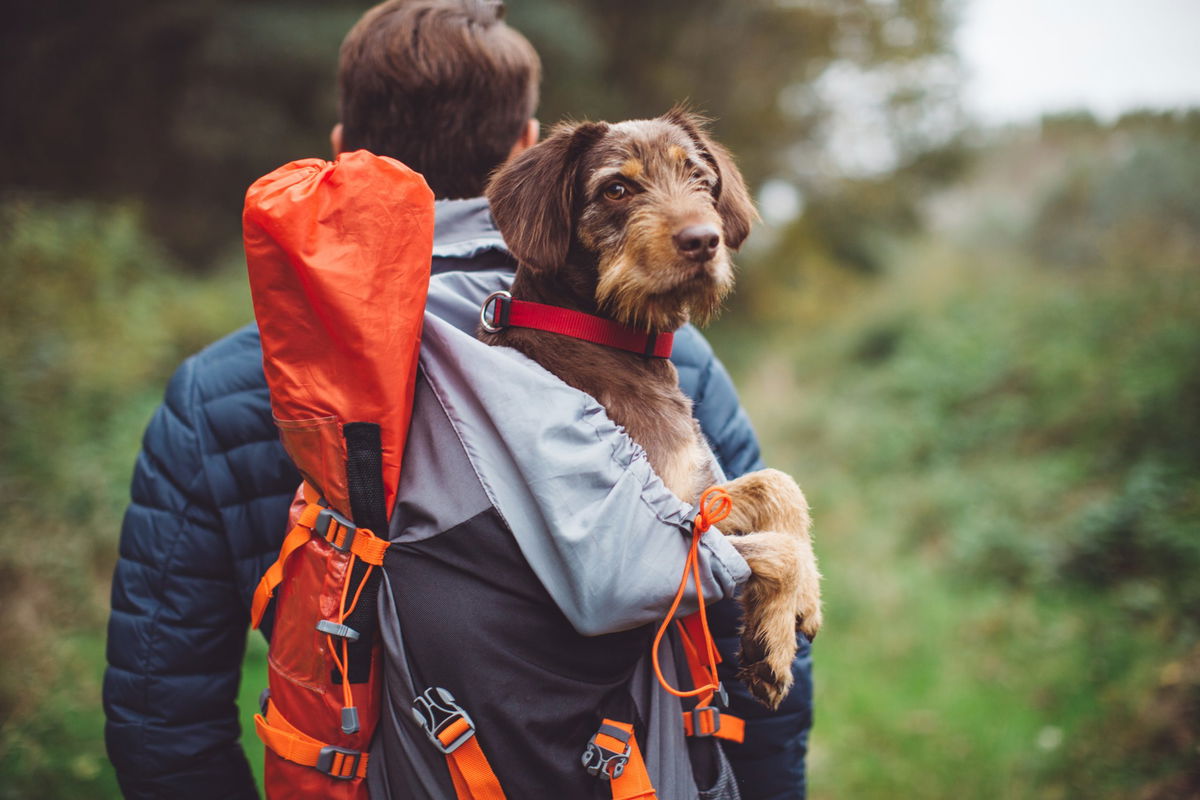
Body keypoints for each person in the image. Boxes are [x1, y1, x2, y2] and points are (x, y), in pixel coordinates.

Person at [101, 1, 813, 798]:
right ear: (523, 148)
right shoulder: (665, 356)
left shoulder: (220, 389)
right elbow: (762, 643)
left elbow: (162, 717)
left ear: (342, 153)